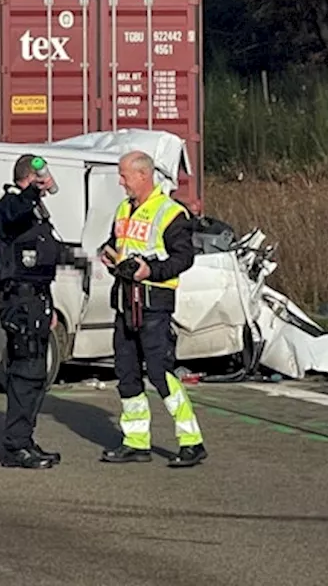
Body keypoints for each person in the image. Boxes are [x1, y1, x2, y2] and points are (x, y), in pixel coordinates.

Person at [98, 150, 207, 467]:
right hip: (124, 301)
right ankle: (136, 441)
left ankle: (191, 441)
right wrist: (110, 257)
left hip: (154, 304)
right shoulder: (123, 209)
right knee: (127, 374)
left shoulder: (172, 212)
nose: (121, 183)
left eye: (124, 176)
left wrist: (151, 271)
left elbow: (183, 258)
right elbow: (117, 244)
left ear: (143, 175)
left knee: (161, 374)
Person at [0, 154, 64, 469]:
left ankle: (26, 439)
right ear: (28, 179)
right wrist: (35, 189)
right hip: (19, 302)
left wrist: (50, 306)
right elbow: (15, 216)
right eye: (39, 180)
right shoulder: (9, 204)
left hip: (37, 299)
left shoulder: (34, 208)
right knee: (25, 372)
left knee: (37, 375)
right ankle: (15, 446)